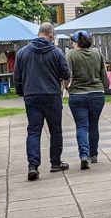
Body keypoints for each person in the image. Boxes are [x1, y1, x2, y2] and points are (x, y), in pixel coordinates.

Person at [13, 22, 71, 181]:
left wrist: (21, 92)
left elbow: (17, 77)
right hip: (52, 95)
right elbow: (66, 74)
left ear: (39, 33)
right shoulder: (56, 52)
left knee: (33, 131)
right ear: (51, 34)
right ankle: (55, 163)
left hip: (31, 95)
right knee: (56, 130)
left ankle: (33, 166)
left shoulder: (23, 52)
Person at [66, 30, 109, 170]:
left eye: (73, 41)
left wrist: (67, 88)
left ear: (77, 42)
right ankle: (94, 154)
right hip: (97, 93)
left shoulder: (71, 54)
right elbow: (103, 72)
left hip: (78, 94)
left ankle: (83, 155)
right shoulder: (97, 53)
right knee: (94, 125)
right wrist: (105, 88)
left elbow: (67, 74)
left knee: (81, 126)